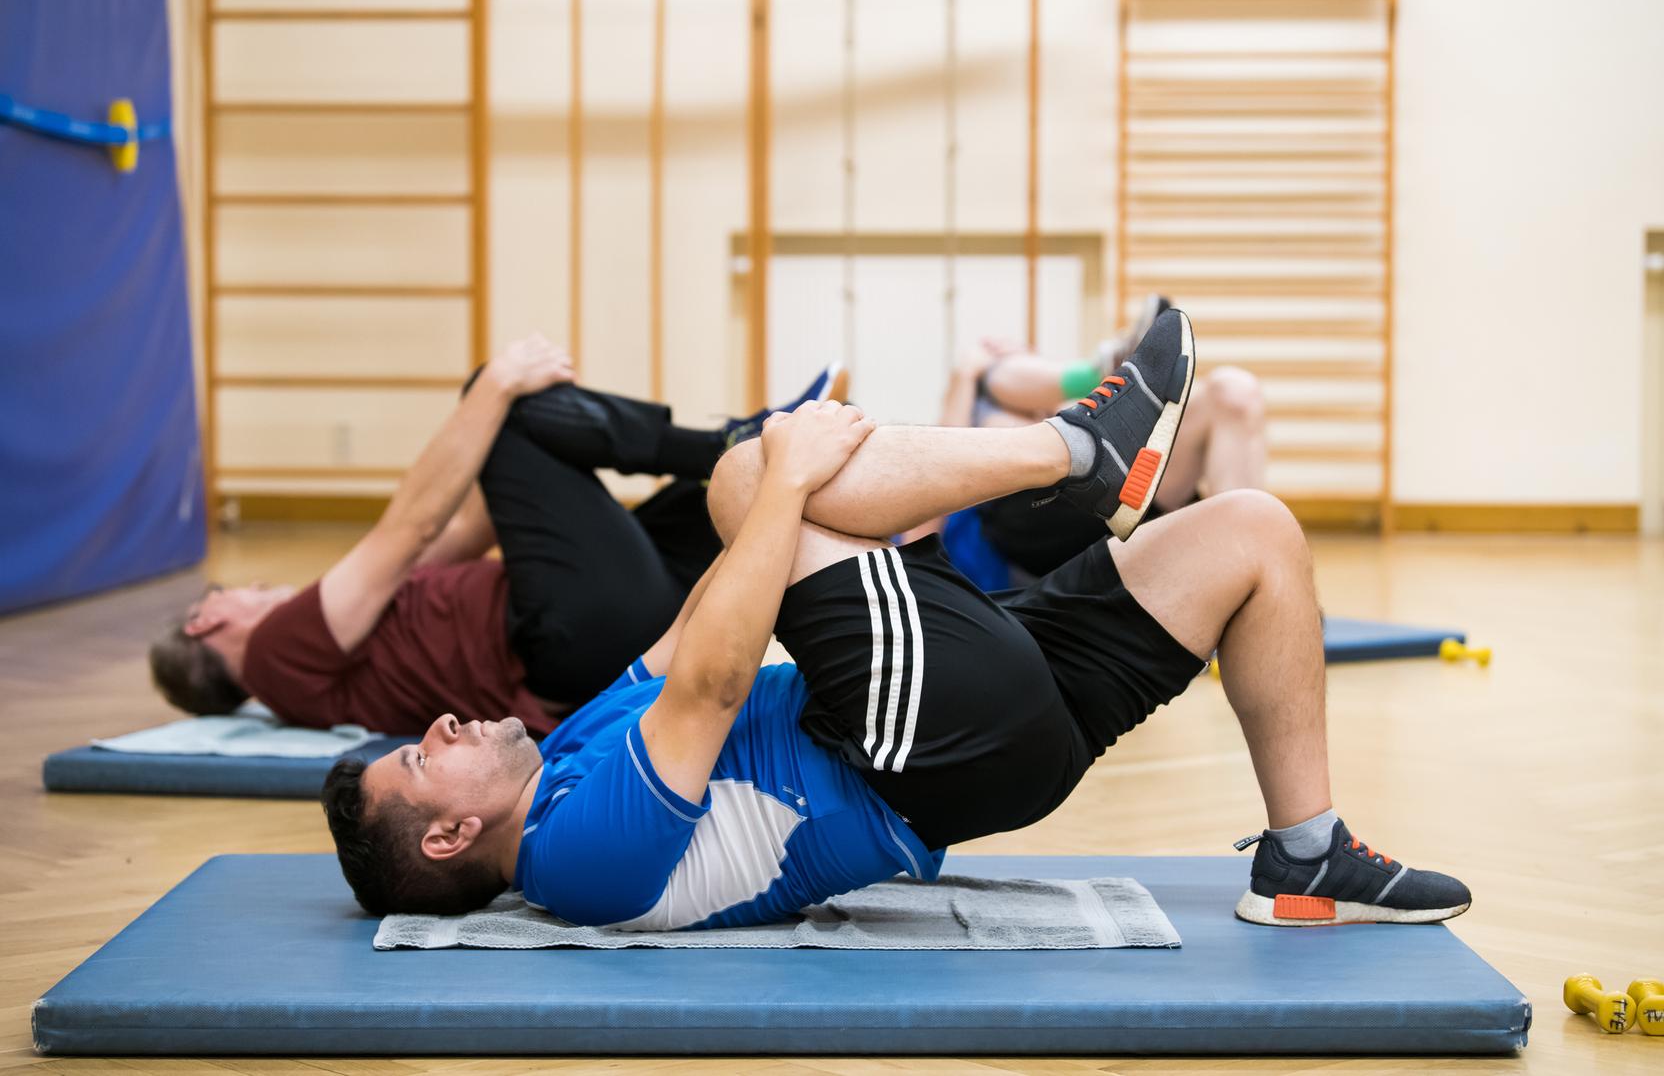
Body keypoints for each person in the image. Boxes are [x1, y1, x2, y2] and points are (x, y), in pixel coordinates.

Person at [323, 308, 1471, 931]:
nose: (442, 726)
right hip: (910, 751)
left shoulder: (567, 754)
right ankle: (1076, 455)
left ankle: (1303, 854)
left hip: (964, 715)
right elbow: (716, 682)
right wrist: (776, 480)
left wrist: (784, 470)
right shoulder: (576, 858)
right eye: (421, 760)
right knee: (743, 484)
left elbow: (688, 636)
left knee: (1251, 533)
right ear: (444, 839)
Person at [147, 333, 848, 737]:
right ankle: (734, 437)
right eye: (238, 591)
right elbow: (409, 525)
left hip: (606, 616)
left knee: (737, 481)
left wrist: (535, 438)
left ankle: (765, 448)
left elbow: (448, 536)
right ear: (209, 620)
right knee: (502, 399)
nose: (256, 588)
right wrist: (492, 392)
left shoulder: (326, 647)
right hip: (574, 639)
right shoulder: (274, 654)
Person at [927, 294, 1268, 587]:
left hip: (1110, 490)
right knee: (996, 392)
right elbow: (935, 486)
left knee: (1234, 391)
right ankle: (1100, 371)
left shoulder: (1025, 409)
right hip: (1029, 522)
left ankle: (1252, 586)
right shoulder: (974, 419)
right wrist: (966, 374)